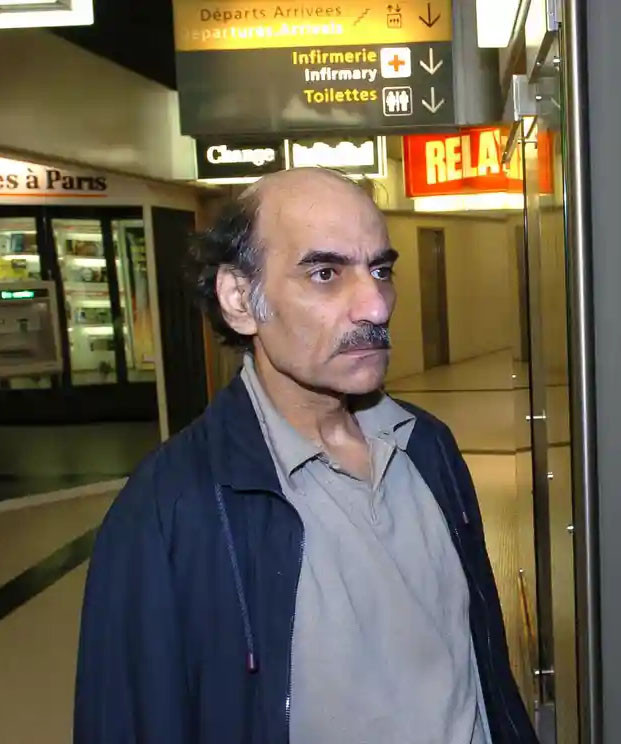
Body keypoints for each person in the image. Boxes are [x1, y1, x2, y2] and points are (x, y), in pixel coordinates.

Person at [74, 169, 537, 744]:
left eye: (380, 270)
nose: (375, 306)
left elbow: (482, 668)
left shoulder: (427, 447)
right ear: (240, 300)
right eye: (325, 273)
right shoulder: (169, 510)